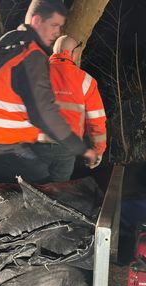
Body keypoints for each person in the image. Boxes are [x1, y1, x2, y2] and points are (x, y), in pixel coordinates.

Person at [0, 0, 97, 185]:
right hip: (9, 147)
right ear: (37, 20)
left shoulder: (4, 45)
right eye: (54, 25)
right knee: (44, 190)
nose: (57, 33)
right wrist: (81, 149)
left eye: (60, 27)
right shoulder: (32, 55)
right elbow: (44, 114)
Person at [46, 35, 107, 181]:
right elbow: (96, 121)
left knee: (29, 191)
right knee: (57, 193)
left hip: (32, 145)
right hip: (66, 147)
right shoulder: (86, 81)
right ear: (73, 53)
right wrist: (97, 151)